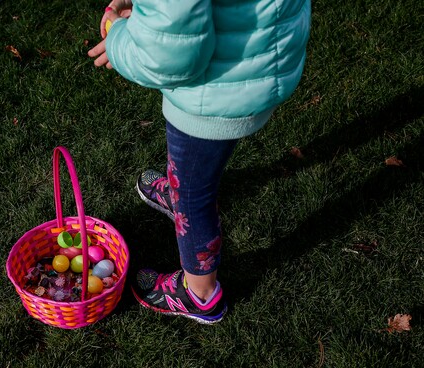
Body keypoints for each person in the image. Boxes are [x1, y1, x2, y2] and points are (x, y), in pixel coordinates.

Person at [88, 0, 311, 324]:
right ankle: (180, 194)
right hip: (260, 59)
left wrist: (121, 37)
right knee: (195, 167)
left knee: (193, 197)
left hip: (213, 92)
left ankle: (200, 295)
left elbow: (171, 55)